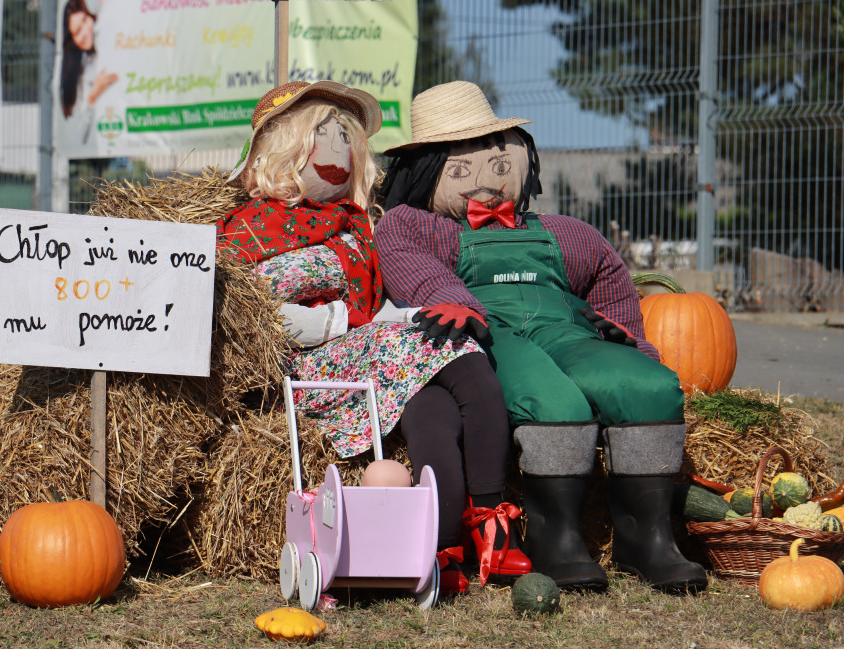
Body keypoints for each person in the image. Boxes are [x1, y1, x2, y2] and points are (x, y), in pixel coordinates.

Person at [375, 80, 708, 594]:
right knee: (551, 400)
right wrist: (454, 300)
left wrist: (621, 328)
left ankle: (647, 539)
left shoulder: (564, 230)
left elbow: (606, 273)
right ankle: (557, 539)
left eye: (496, 160)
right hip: (489, 330)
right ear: (426, 170)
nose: (485, 179)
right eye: (460, 167)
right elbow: (407, 262)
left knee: (648, 384)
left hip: (565, 327)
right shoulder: (416, 224)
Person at [217, 81, 531, 594]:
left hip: (364, 352)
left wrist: (403, 318)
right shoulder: (246, 229)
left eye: (346, 137)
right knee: (455, 347)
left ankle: (451, 542)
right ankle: (490, 527)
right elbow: (244, 313)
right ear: (287, 147)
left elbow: (374, 304)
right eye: (323, 135)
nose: (338, 150)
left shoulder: (358, 226)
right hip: (307, 373)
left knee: (435, 396)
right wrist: (327, 323)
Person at [59, 0, 118, 144]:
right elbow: (80, 138)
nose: (85, 32)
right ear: (72, 39)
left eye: (85, 20)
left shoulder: (115, 43)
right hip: (107, 139)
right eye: (77, 32)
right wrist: (93, 95)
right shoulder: (82, 74)